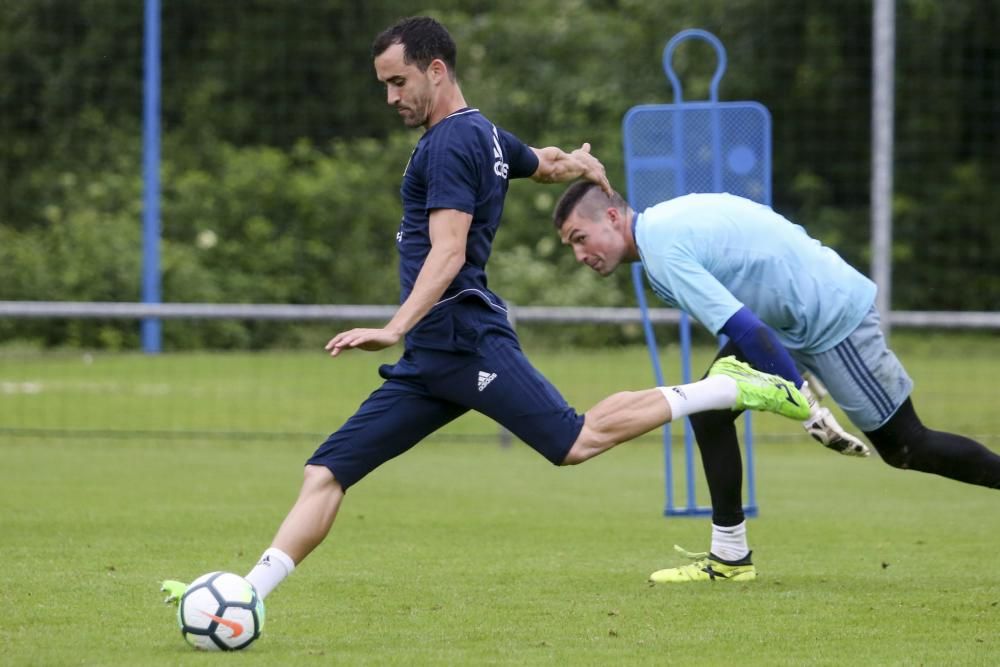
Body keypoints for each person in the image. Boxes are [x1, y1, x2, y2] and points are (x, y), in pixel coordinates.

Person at [161, 17, 810, 608]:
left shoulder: (449, 145)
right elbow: (543, 164)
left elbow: (446, 253)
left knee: (575, 441)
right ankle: (246, 593)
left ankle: (728, 386)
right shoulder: (487, 136)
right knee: (328, 470)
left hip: (466, 335)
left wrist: (392, 326)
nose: (391, 98)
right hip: (430, 359)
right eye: (384, 85)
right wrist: (578, 162)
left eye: (398, 81)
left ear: (436, 69)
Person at [551, 181, 1000, 583]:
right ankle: (730, 557)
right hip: (785, 322)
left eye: (580, 238)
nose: (579, 255)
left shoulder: (663, 249)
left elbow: (747, 330)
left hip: (825, 319)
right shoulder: (662, 228)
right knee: (709, 412)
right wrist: (797, 382)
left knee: (906, 447)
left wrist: (806, 407)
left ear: (612, 217)